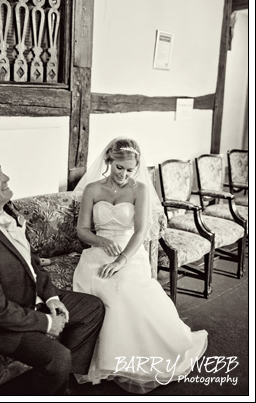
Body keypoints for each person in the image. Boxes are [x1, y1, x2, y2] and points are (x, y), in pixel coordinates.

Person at [0, 157, 104, 396]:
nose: (7, 178)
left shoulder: (7, 211)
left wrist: (52, 299)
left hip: (34, 298)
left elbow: (31, 265)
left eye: (1, 171)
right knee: (58, 357)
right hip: (7, 325)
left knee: (92, 308)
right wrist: (48, 323)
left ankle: (61, 383)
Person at [72, 137, 208, 394]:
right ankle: (103, 362)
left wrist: (121, 260)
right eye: (119, 167)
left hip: (130, 253)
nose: (124, 174)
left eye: (130, 169)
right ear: (109, 161)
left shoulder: (140, 190)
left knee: (122, 289)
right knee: (96, 289)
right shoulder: (92, 189)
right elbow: (82, 231)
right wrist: (100, 241)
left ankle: (135, 358)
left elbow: (141, 232)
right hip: (97, 252)